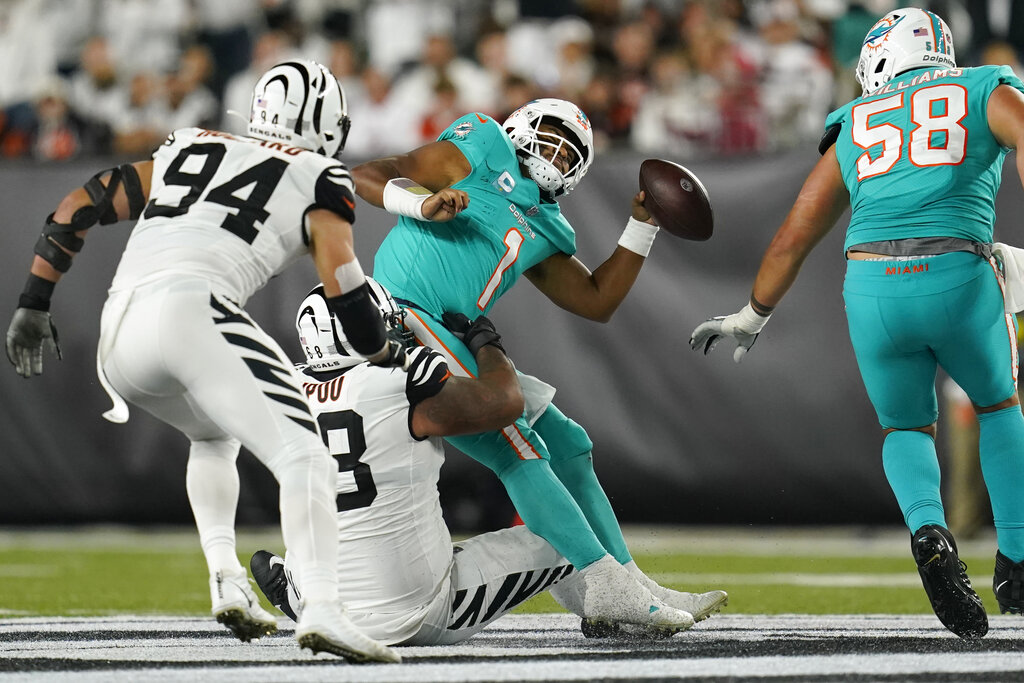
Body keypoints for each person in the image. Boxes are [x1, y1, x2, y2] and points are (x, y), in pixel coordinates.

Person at [4, 59, 405, 663]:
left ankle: (225, 577)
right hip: (192, 311)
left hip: (121, 336)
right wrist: (380, 350)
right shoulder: (319, 174)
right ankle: (322, 606)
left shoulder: (188, 146)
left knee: (213, 434)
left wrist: (34, 304)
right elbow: (345, 289)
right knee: (305, 455)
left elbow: (75, 206)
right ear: (326, 123)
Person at [689, 8, 1024, 640]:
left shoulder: (856, 123)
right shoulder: (984, 87)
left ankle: (930, 533)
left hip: (871, 288)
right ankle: (1018, 560)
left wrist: (750, 315)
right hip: (959, 273)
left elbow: (794, 233)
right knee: (999, 406)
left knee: (905, 426)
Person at [351, 98, 726, 634]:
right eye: (549, 136)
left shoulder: (546, 223)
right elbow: (370, 173)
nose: (555, 153)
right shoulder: (478, 148)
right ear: (519, 128)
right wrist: (422, 203)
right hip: (401, 316)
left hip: (454, 333)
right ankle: (606, 588)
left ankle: (625, 582)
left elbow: (597, 299)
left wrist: (641, 225)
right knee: (517, 446)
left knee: (569, 443)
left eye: (568, 150)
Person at [251, 279, 591, 644]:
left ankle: (297, 592)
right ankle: (605, 606)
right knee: (570, 533)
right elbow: (505, 402)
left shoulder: (285, 389)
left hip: (321, 596)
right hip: (414, 612)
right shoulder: (403, 381)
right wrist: (487, 345)